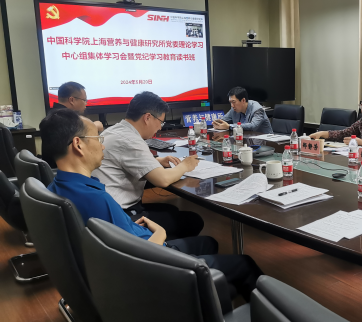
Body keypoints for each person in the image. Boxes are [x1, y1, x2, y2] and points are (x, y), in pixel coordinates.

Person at [40, 109, 263, 301]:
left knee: (208, 243)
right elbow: (138, 258)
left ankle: (215, 297)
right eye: (97, 138)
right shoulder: (94, 198)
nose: (102, 145)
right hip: (152, 264)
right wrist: (160, 233)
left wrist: (129, 227)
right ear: (78, 144)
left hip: (131, 248)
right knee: (244, 264)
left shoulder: (57, 187)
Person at [92, 91, 203, 239]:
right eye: (161, 122)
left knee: (171, 210)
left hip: (106, 210)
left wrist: (156, 161)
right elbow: (162, 180)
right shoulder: (130, 139)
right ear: (147, 117)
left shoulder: (116, 130)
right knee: (193, 221)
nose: (160, 128)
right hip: (122, 216)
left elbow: (124, 161)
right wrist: (185, 165)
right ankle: (161, 248)